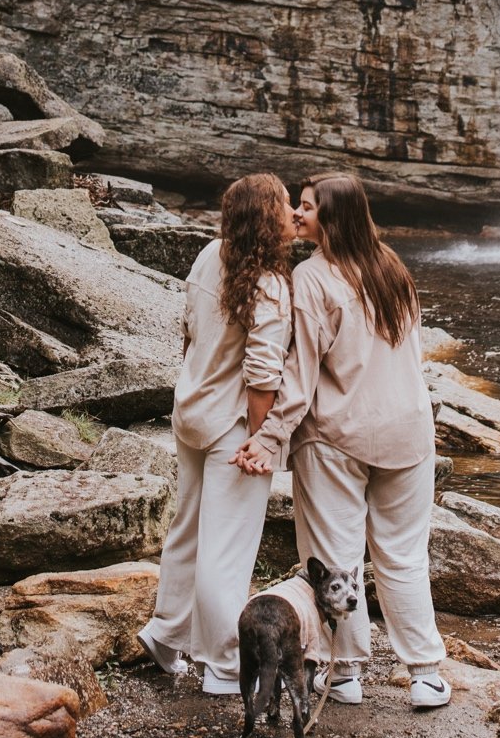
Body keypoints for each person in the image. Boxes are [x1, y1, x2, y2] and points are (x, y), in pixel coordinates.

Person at [235, 171, 451, 710]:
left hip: (338, 438)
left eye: (306, 207)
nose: (297, 215)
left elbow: (300, 374)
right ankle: (425, 674)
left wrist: (267, 439)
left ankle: (344, 670)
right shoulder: (393, 268)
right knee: (403, 557)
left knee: (335, 556)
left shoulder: (311, 278)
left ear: (331, 218)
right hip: (409, 432)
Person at [139, 171, 295, 695]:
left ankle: (165, 633)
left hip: (191, 412)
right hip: (233, 426)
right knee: (225, 549)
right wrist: (261, 439)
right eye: (287, 206)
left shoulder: (210, 254)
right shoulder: (269, 285)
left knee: (188, 530)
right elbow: (262, 374)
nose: (295, 214)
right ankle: (225, 665)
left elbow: (187, 331)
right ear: (268, 218)